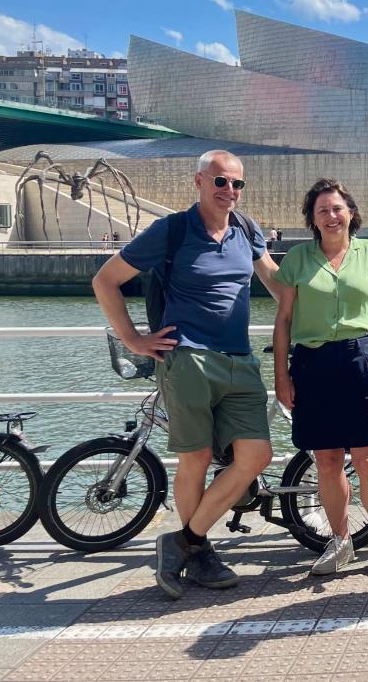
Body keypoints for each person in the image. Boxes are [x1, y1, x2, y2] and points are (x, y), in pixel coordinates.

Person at [92, 149, 281, 600]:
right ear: (198, 182)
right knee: (195, 459)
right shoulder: (172, 230)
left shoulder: (247, 231)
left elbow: (278, 283)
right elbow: (105, 280)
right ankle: (200, 554)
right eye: (220, 182)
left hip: (240, 359)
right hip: (188, 357)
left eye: (237, 184)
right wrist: (134, 339)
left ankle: (182, 543)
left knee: (256, 456)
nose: (229, 191)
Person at [272, 179, 368, 579]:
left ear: (351, 213)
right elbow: (284, 320)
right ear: (312, 217)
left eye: (338, 208)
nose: (331, 215)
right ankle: (341, 541)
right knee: (326, 461)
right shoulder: (297, 259)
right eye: (323, 209)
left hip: (359, 358)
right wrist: (281, 375)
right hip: (311, 364)